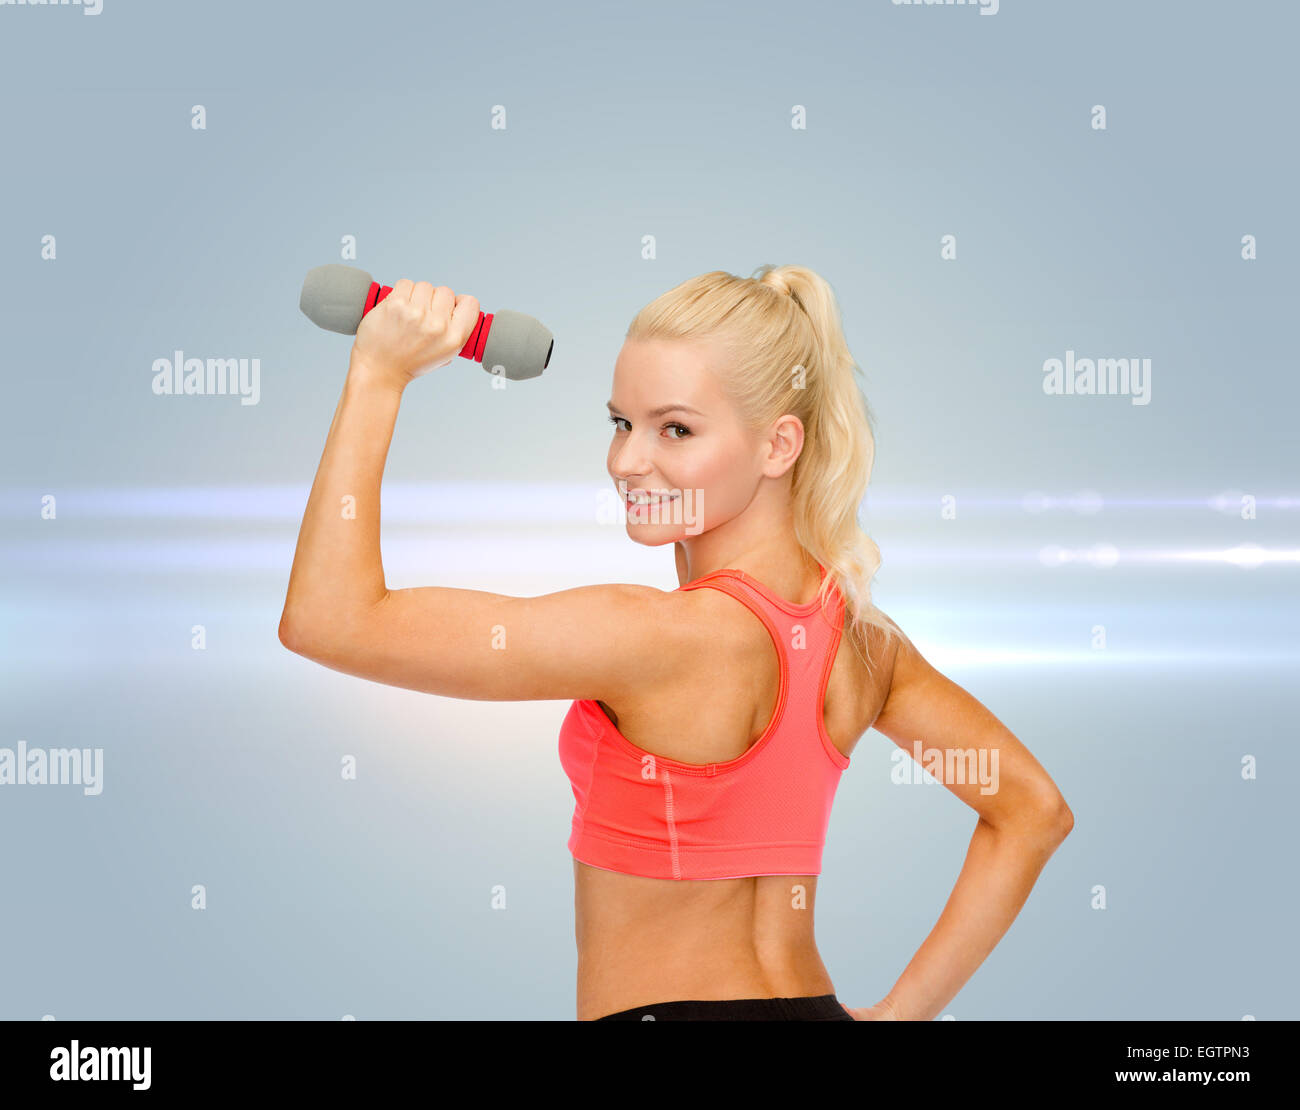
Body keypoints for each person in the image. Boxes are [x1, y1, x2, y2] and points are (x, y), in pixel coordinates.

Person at [278, 264, 1074, 1021]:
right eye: (622, 423)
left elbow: (330, 620)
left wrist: (379, 376)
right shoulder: (864, 639)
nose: (627, 460)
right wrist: (904, 1013)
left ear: (778, 446)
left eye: (676, 430)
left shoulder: (658, 636)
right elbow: (1032, 811)